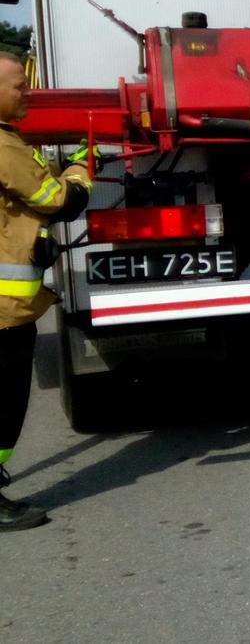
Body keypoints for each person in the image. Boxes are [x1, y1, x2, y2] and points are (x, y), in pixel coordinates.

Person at [0, 52, 93, 532]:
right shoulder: (1, 145)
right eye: (19, 86)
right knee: (4, 398)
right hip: (3, 310)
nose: (27, 93)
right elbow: (53, 200)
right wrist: (82, 169)